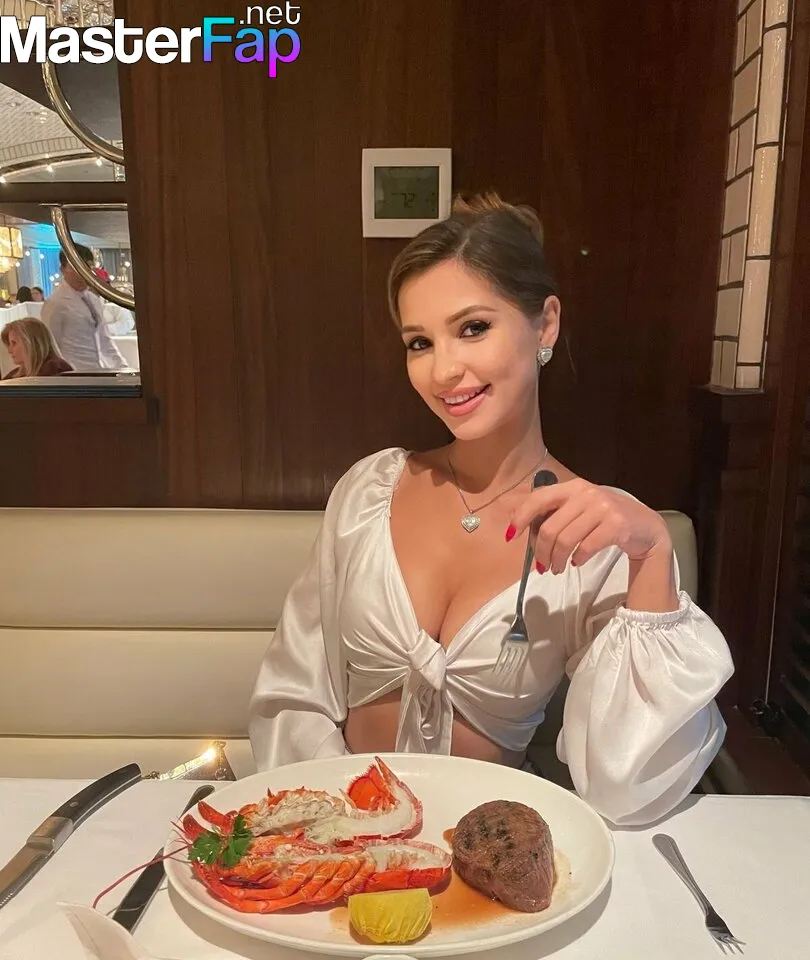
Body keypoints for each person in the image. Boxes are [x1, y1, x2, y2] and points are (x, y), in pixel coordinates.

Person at [248, 194, 734, 827]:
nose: (443, 371)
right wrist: (335, 828)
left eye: (473, 328)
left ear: (545, 324)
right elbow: (294, 692)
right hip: (343, 839)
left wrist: (653, 552)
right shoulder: (369, 492)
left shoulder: (590, 531)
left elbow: (627, 787)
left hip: (488, 853)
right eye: (419, 342)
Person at [41, 245, 127, 372]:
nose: (81, 274)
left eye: (87, 268)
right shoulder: (55, 302)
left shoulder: (93, 299)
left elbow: (104, 339)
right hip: (75, 374)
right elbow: (51, 347)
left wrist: (123, 367)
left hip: (101, 370)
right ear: (62, 269)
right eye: (75, 268)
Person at [2, 318, 73, 378]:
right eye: (9, 344)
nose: (9, 350)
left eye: (14, 343)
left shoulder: (55, 368)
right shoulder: (14, 375)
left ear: (32, 344)